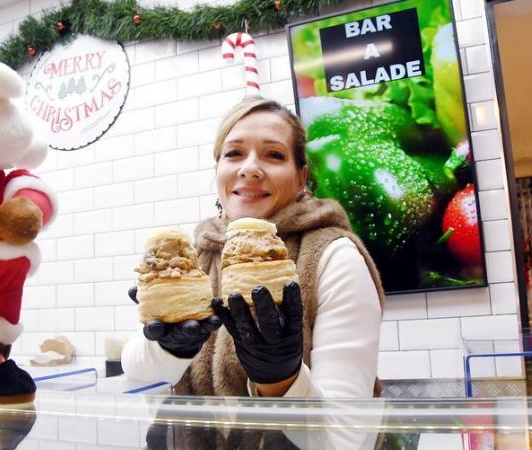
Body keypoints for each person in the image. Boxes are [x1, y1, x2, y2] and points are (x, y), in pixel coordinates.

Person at [122, 97, 383, 399]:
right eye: (233, 153)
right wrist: (167, 349)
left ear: (302, 177)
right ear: (218, 169)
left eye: (273, 154)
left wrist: (284, 381)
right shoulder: (197, 258)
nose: (250, 168)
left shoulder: (334, 257)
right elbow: (138, 374)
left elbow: (345, 437)